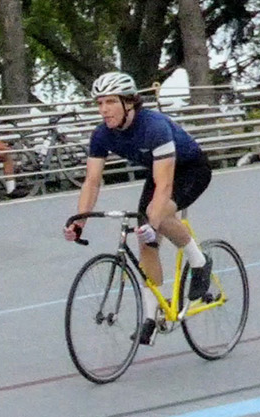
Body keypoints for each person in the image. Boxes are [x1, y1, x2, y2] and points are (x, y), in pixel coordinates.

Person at [61, 72, 216, 345]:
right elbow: (92, 181)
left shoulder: (153, 127)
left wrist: (153, 224)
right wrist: (80, 220)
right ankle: (151, 315)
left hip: (190, 170)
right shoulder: (102, 135)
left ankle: (199, 260)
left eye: (110, 102)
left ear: (129, 102)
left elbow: (165, 185)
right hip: (157, 172)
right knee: (145, 240)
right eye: (99, 103)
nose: (103, 109)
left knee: (160, 217)